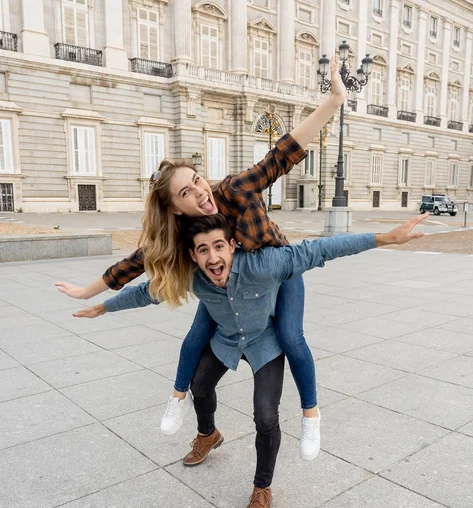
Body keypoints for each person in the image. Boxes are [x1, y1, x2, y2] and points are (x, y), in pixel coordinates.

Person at [55, 57, 347, 462]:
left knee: (293, 338)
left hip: (277, 274)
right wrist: (89, 294)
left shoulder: (233, 191)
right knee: (195, 341)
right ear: (175, 208)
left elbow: (282, 154)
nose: (199, 193)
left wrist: (333, 100)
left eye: (196, 180)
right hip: (224, 284)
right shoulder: (179, 236)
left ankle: (311, 415)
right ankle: (201, 426)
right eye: (187, 193)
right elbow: (137, 265)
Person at [72, 212, 427, 508]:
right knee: (200, 385)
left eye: (218, 247)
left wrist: (386, 238)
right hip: (226, 339)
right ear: (193, 256)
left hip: (265, 341)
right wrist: (101, 308)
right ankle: (208, 434)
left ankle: (262, 488)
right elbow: (147, 293)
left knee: (266, 416)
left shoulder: (263, 265)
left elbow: (320, 250)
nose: (213, 258)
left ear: (231, 246)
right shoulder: (193, 277)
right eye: (203, 250)